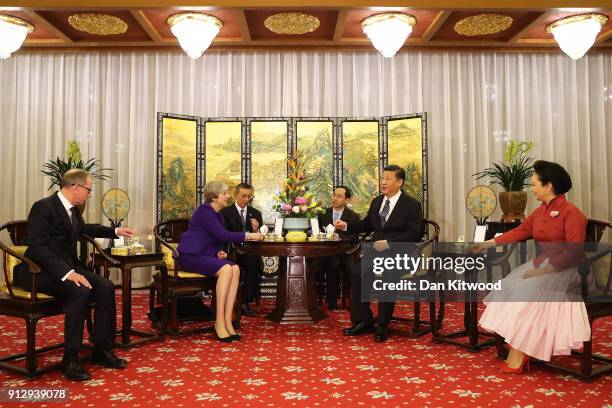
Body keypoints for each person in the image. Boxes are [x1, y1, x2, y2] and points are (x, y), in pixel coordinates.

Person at [13, 169, 134, 381]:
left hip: (66, 267)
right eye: (89, 189)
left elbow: (84, 228)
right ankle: (71, 357)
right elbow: (38, 247)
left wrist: (114, 232)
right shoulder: (43, 207)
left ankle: (101, 349)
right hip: (39, 271)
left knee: (105, 286)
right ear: (76, 187)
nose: (90, 194)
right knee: (80, 291)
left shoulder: (73, 210)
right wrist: (67, 273)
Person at [471, 160, 590, 373]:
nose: (531, 188)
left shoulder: (571, 212)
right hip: (546, 264)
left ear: (549, 186)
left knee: (527, 290)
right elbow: (519, 232)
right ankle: (520, 342)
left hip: (571, 271)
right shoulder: (540, 212)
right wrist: (487, 244)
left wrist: (545, 270)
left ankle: (519, 352)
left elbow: (574, 252)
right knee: (508, 287)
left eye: (534, 183)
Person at [335, 165, 422, 342]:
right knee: (356, 272)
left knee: (389, 275)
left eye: (388, 178)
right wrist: (347, 226)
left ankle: (382, 324)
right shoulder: (377, 202)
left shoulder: (412, 205)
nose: (383, 182)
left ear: (400, 182)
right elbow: (367, 223)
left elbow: (415, 233)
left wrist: (390, 244)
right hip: (375, 253)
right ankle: (363, 320)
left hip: (399, 254)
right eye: (382, 178)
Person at [178, 181, 263, 342]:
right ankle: (218, 321)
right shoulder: (204, 212)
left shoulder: (217, 213)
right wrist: (249, 235)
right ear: (214, 196)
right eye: (224, 193)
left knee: (235, 269)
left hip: (205, 255)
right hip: (190, 256)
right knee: (226, 269)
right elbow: (223, 235)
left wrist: (218, 251)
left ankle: (227, 320)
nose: (228, 196)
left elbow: (215, 238)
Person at [221, 183, 264, 317]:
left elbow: (261, 236)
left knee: (253, 261)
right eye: (243, 196)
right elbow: (222, 235)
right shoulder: (225, 212)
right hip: (231, 250)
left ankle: (245, 302)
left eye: (249, 197)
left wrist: (257, 229)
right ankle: (228, 301)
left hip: (250, 252)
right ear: (236, 195)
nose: (246, 199)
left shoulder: (256, 213)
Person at [317, 186, 360, 310]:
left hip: (346, 252)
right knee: (331, 263)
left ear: (347, 199)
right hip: (326, 252)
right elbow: (317, 233)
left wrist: (338, 237)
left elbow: (354, 238)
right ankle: (332, 301)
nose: (335, 198)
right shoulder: (323, 214)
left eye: (339, 196)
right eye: (334, 195)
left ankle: (352, 301)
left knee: (338, 264)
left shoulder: (353, 216)